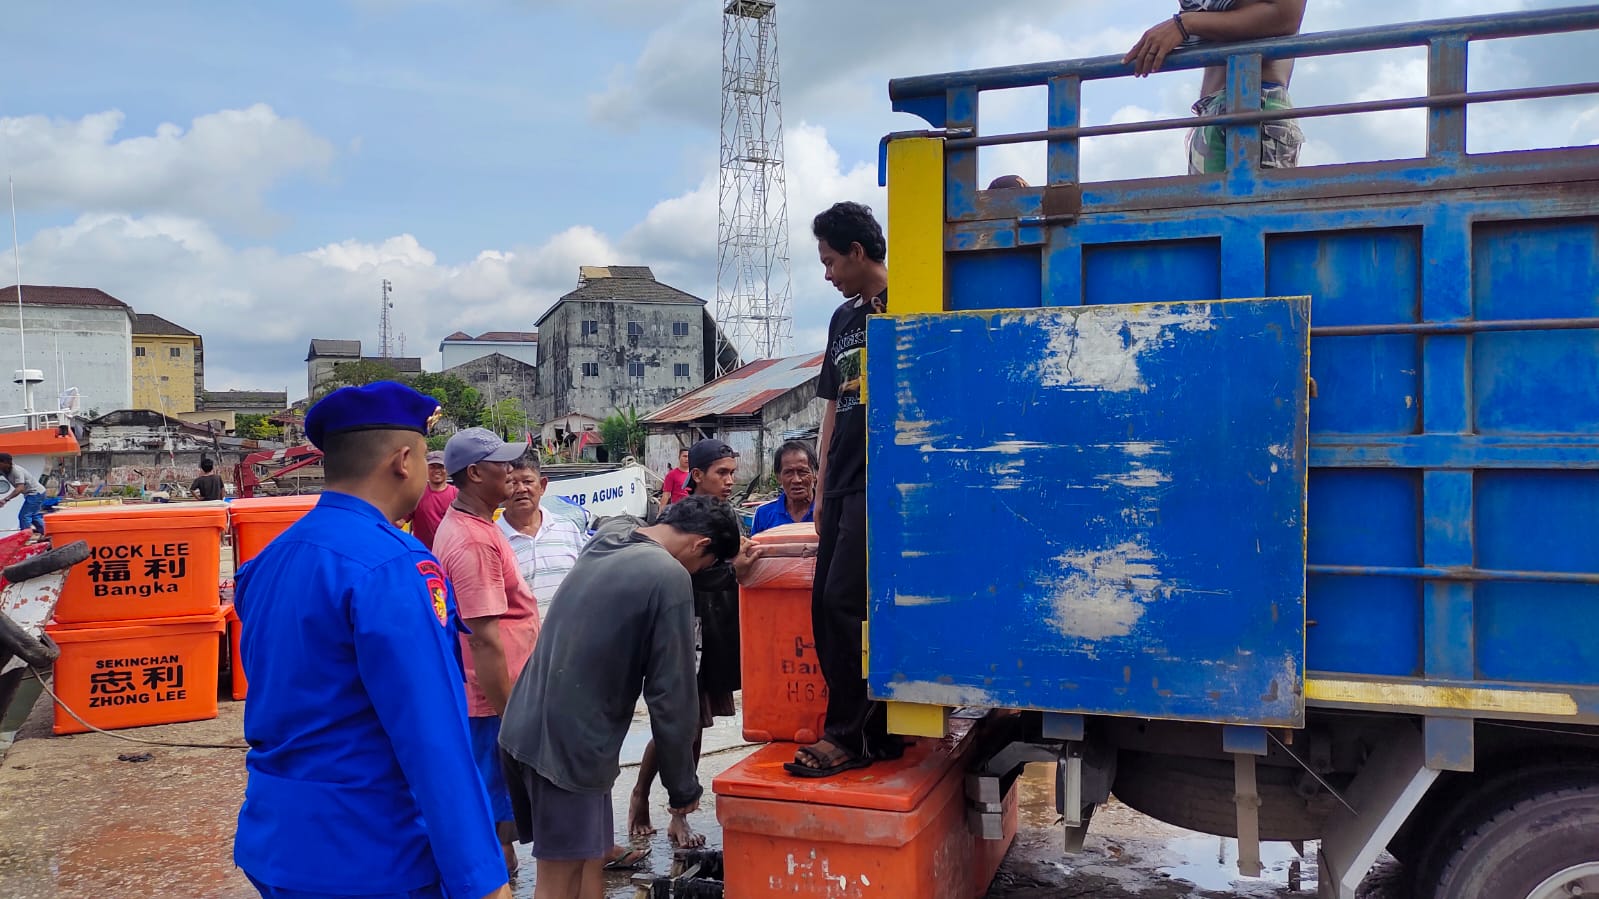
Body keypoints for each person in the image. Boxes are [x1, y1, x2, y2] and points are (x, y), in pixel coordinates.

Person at [232, 381, 510, 899]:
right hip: (371, 849)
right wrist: (482, 879)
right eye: (426, 456)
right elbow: (432, 736)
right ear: (403, 460)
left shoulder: (271, 558)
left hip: (278, 837)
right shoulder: (394, 565)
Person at [498, 495, 742, 899]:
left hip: (530, 727)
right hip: (566, 748)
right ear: (701, 546)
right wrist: (682, 788)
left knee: (588, 860)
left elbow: (620, 519)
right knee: (558, 880)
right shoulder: (668, 575)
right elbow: (671, 694)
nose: (700, 574)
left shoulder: (610, 538)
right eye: (708, 565)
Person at [787, 201, 903, 779]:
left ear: (859, 252)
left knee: (847, 603)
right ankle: (872, 730)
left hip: (886, 483)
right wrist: (825, 475)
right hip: (842, 482)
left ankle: (848, 734)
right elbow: (834, 404)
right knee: (822, 604)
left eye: (831, 260)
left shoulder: (908, 298)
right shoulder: (842, 321)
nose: (826, 273)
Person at [628, 438, 760, 846]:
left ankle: (671, 805)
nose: (729, 481)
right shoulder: (677, 520)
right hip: (685, 630)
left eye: (733, 473)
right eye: (722, 473)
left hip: (718, 630)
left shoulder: (729, 515)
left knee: (695, 726)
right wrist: (734, 570)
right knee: (680, 725)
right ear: (696, 475)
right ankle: (656, 802)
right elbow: (689, 573)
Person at [433, 428, 540, 878]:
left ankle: (498, 871)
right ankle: (495, 877)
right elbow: (484, 637)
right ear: (476, 474)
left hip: (498, 687)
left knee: (496, 795)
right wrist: (510, 712)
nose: (514, 473)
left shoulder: (472, 525)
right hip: (495, 693)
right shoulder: (475, 541)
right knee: (497, 796)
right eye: (504, 465)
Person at [1123, 0, 1308, 174]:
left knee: (1254, 207)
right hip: (1208, 113)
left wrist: (1185, 24)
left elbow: (1285, 16)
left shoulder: (1187, 22)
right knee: (1210, 208)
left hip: (1255, 103)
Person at [499, 457, 591, 625]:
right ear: (501, 490)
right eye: (512, 483)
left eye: (527, 481)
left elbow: (586, 583)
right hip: (521, 646)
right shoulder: (493, 539)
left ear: (542, 486)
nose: (521, 489)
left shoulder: (568, 529)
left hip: (567, 641)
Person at [751, 441, 816, 536]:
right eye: (788, 472)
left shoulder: (829, 511)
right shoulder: (763, 514)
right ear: (778, 477)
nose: (796, 480)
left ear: (815, 474)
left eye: (803, 471)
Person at [405, 450, 457, 550]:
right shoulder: (417, 494)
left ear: (447, 469)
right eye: (432, 467)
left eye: (440, 467)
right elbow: (398, 522)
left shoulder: (457, 495)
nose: (437, 470)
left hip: (450, 553)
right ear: (426, 469)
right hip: (423, 554)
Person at [0, 453, 46, 538]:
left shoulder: (16, 471)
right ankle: (47, 533)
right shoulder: (4, 470)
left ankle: (25, 539)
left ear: (5, 463)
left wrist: (5, 499)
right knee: (34, 516)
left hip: (36, 493)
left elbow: (20, 488)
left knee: (24, 516)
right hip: (32, 494)